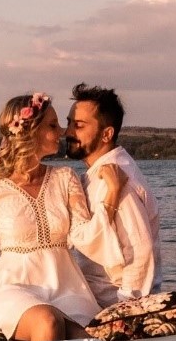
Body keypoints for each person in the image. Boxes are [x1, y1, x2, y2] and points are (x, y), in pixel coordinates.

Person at [0, 92, 121, 341]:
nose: (62, 131)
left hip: (66, 288)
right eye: (52, 125)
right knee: (48, 321)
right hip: (13, 288)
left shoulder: (65, 177)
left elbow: (85, 235)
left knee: (88, 339)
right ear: (30, 131)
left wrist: (112, 195)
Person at [64, 83, 161, 309]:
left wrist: (125, 311)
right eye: (69, 123)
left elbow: (140, 252)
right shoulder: (99, 174)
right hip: (92, 300)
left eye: (78, 125)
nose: (67, 133)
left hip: (113, 305)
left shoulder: (119, 179)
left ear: (107, 134)